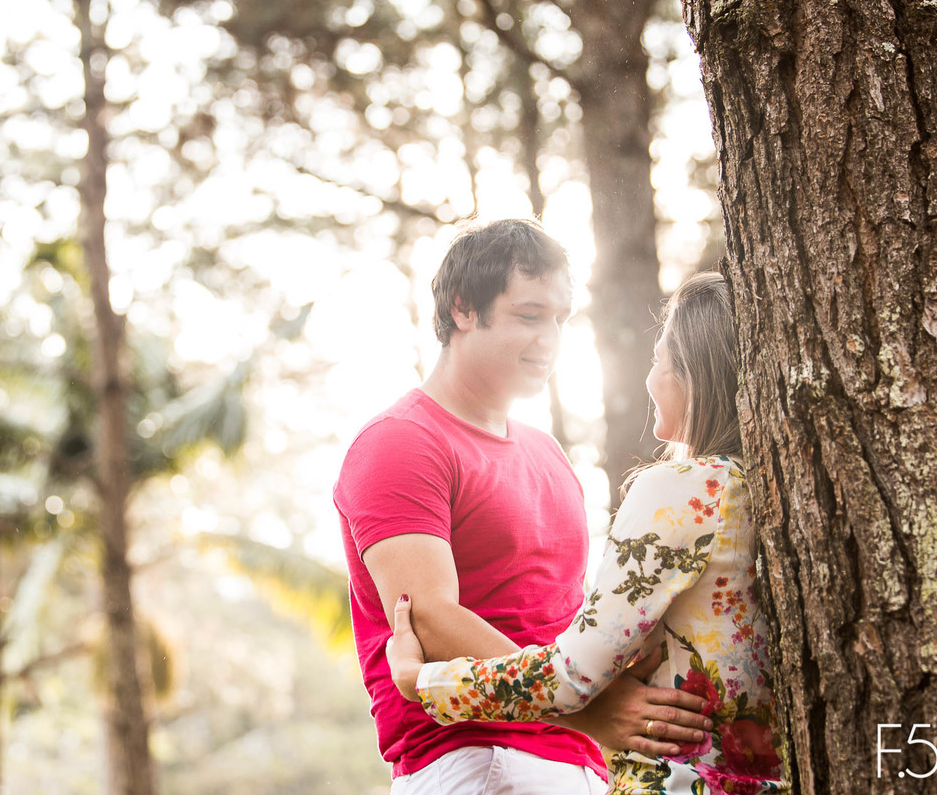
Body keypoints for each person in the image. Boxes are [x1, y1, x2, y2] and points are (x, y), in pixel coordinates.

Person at [336, 220, 712, 794]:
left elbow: (562, 618)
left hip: (576, 764)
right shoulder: (401, 441)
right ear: (464, 308)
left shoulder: (547, 453)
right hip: (475, 758)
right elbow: (430, 618)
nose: (551, 340)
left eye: (561, 319)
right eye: (529, 316)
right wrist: (588, 710)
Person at [386, 271, 787, 794]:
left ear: (694, 373)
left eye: (657, 360)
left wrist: (424, 683)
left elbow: (571, 678)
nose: (649, 379)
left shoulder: (682, 489)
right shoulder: (771, 487)